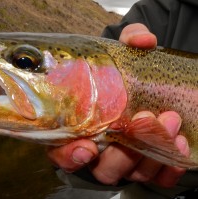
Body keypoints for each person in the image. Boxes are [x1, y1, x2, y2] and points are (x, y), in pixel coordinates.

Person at [47, 0, 198, 198]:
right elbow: (67, 159)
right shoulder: (161, 11)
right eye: (25, 62)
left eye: (26, 62)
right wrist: (88, 166)